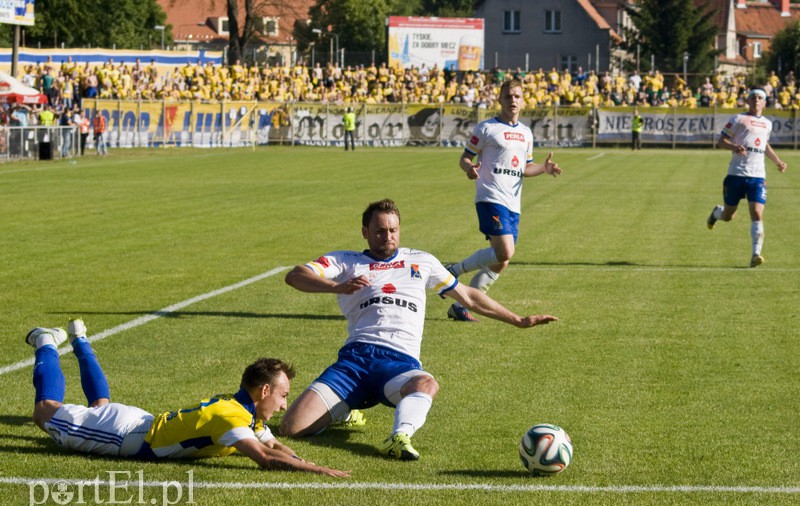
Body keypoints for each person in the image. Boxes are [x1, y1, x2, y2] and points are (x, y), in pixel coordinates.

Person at [279, 199, 558, 460]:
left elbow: (469, 296)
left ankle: (399, 436)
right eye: (379, 231)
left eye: (393, 230)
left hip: (399, 365)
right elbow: (295, 276)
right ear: (365, 231)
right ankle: (343, 410)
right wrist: (336, 286)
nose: (387, 237)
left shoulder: (421, 261)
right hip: (354, 361)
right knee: (291, 428)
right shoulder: (346, 261)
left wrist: (518, 320)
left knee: (426, 383)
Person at [26, 319, 349, 477]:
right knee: (45, 412)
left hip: (137, 424)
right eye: (283, 395)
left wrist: (303, 461)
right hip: (124, 436)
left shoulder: (245, 411)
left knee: (100, 406)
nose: (283, 405)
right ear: (264, 390)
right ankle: (46, 341)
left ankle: (80, 340)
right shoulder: (232, 417)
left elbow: (275, 445)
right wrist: (318, 471)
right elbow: (265, 459)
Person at [446, 79, 562, 322]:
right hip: (490, 196)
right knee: (505, 251)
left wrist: (544, 168)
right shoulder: (486, 128)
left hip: (513, 202)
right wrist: (469, 168)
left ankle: (462, 305)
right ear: (499, 99)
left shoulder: (526, 133)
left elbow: (525, 168)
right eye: (508, 96)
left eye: (517, 96)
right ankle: (452, 272)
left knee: (502, 260)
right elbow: (465, 158)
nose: (513, 100)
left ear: (523, 100)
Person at [706, 87, 788, 267]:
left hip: (757, 176)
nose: (756, 100)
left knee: (757, 214)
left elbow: (765, 145)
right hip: (736, 174)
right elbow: (721, 141)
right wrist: (734, 147)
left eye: (760, 98)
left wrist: (777, 161)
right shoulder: (738, 119)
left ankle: (755, 254)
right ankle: (716, 213)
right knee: (728, 216)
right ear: (748, 101)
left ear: (764, 102)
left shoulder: (767, 123)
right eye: (753, 97)